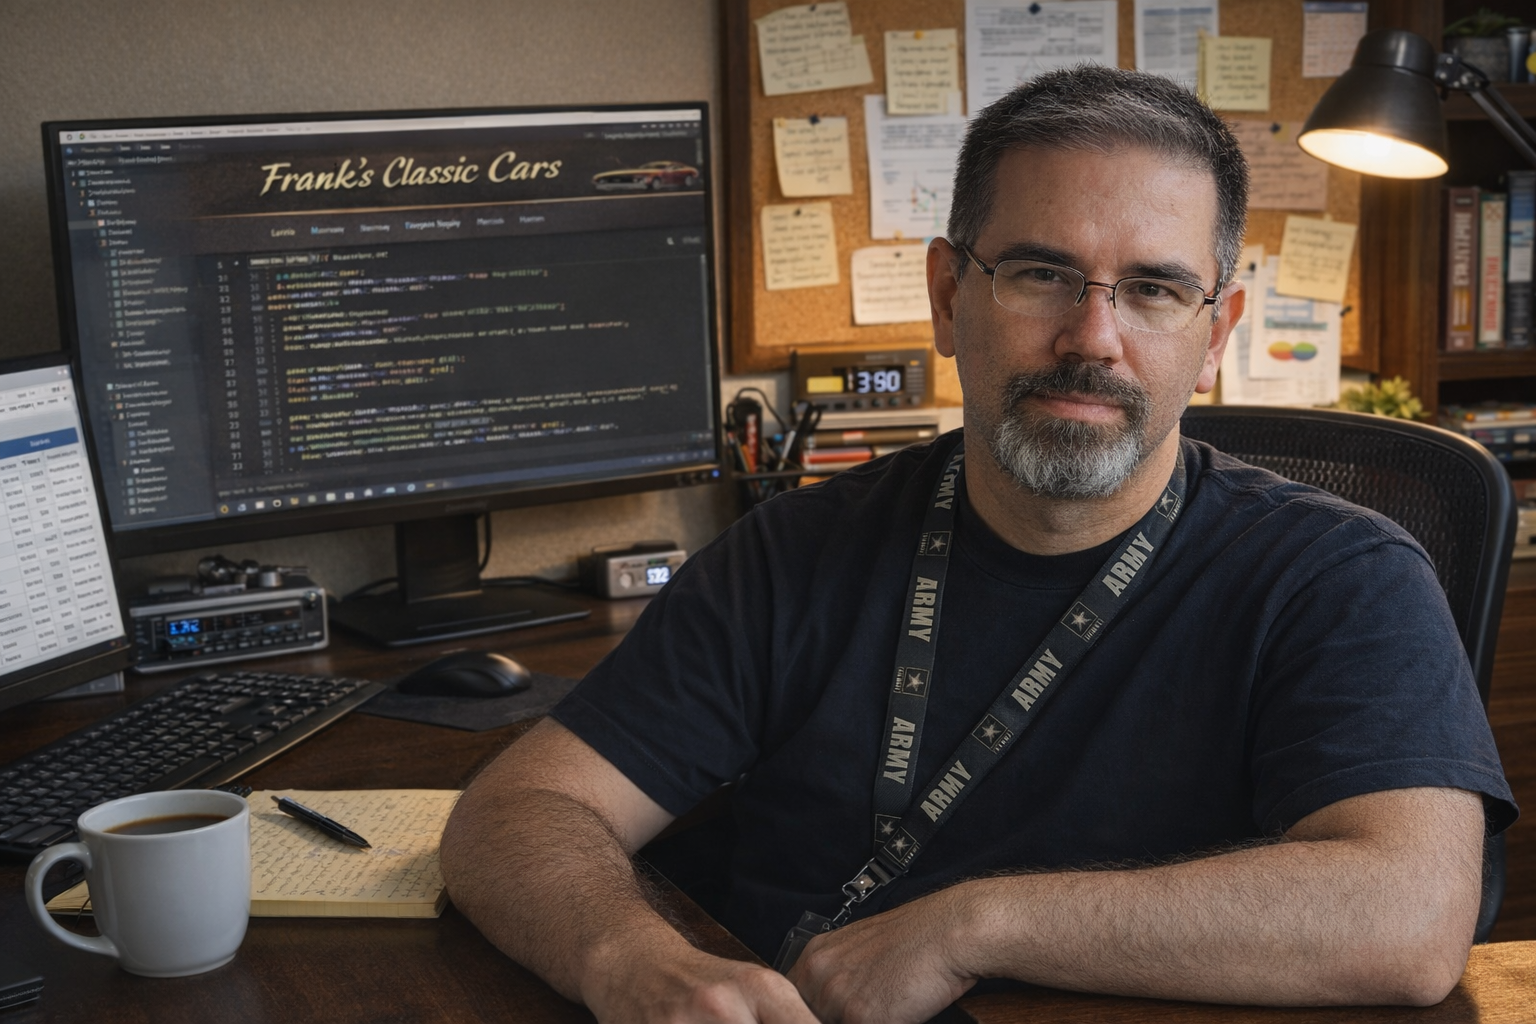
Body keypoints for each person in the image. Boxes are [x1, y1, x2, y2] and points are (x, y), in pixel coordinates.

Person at [440, 66, 1516, 1024]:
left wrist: (973, 924)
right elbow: (516, 813)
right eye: (1042, 273)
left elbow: (1411, 916)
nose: (1092, 338)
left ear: (1216, 332)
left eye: (1152, 288)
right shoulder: (792, 554)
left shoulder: (1339, 578)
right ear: (950, 291)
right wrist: (628, 959)